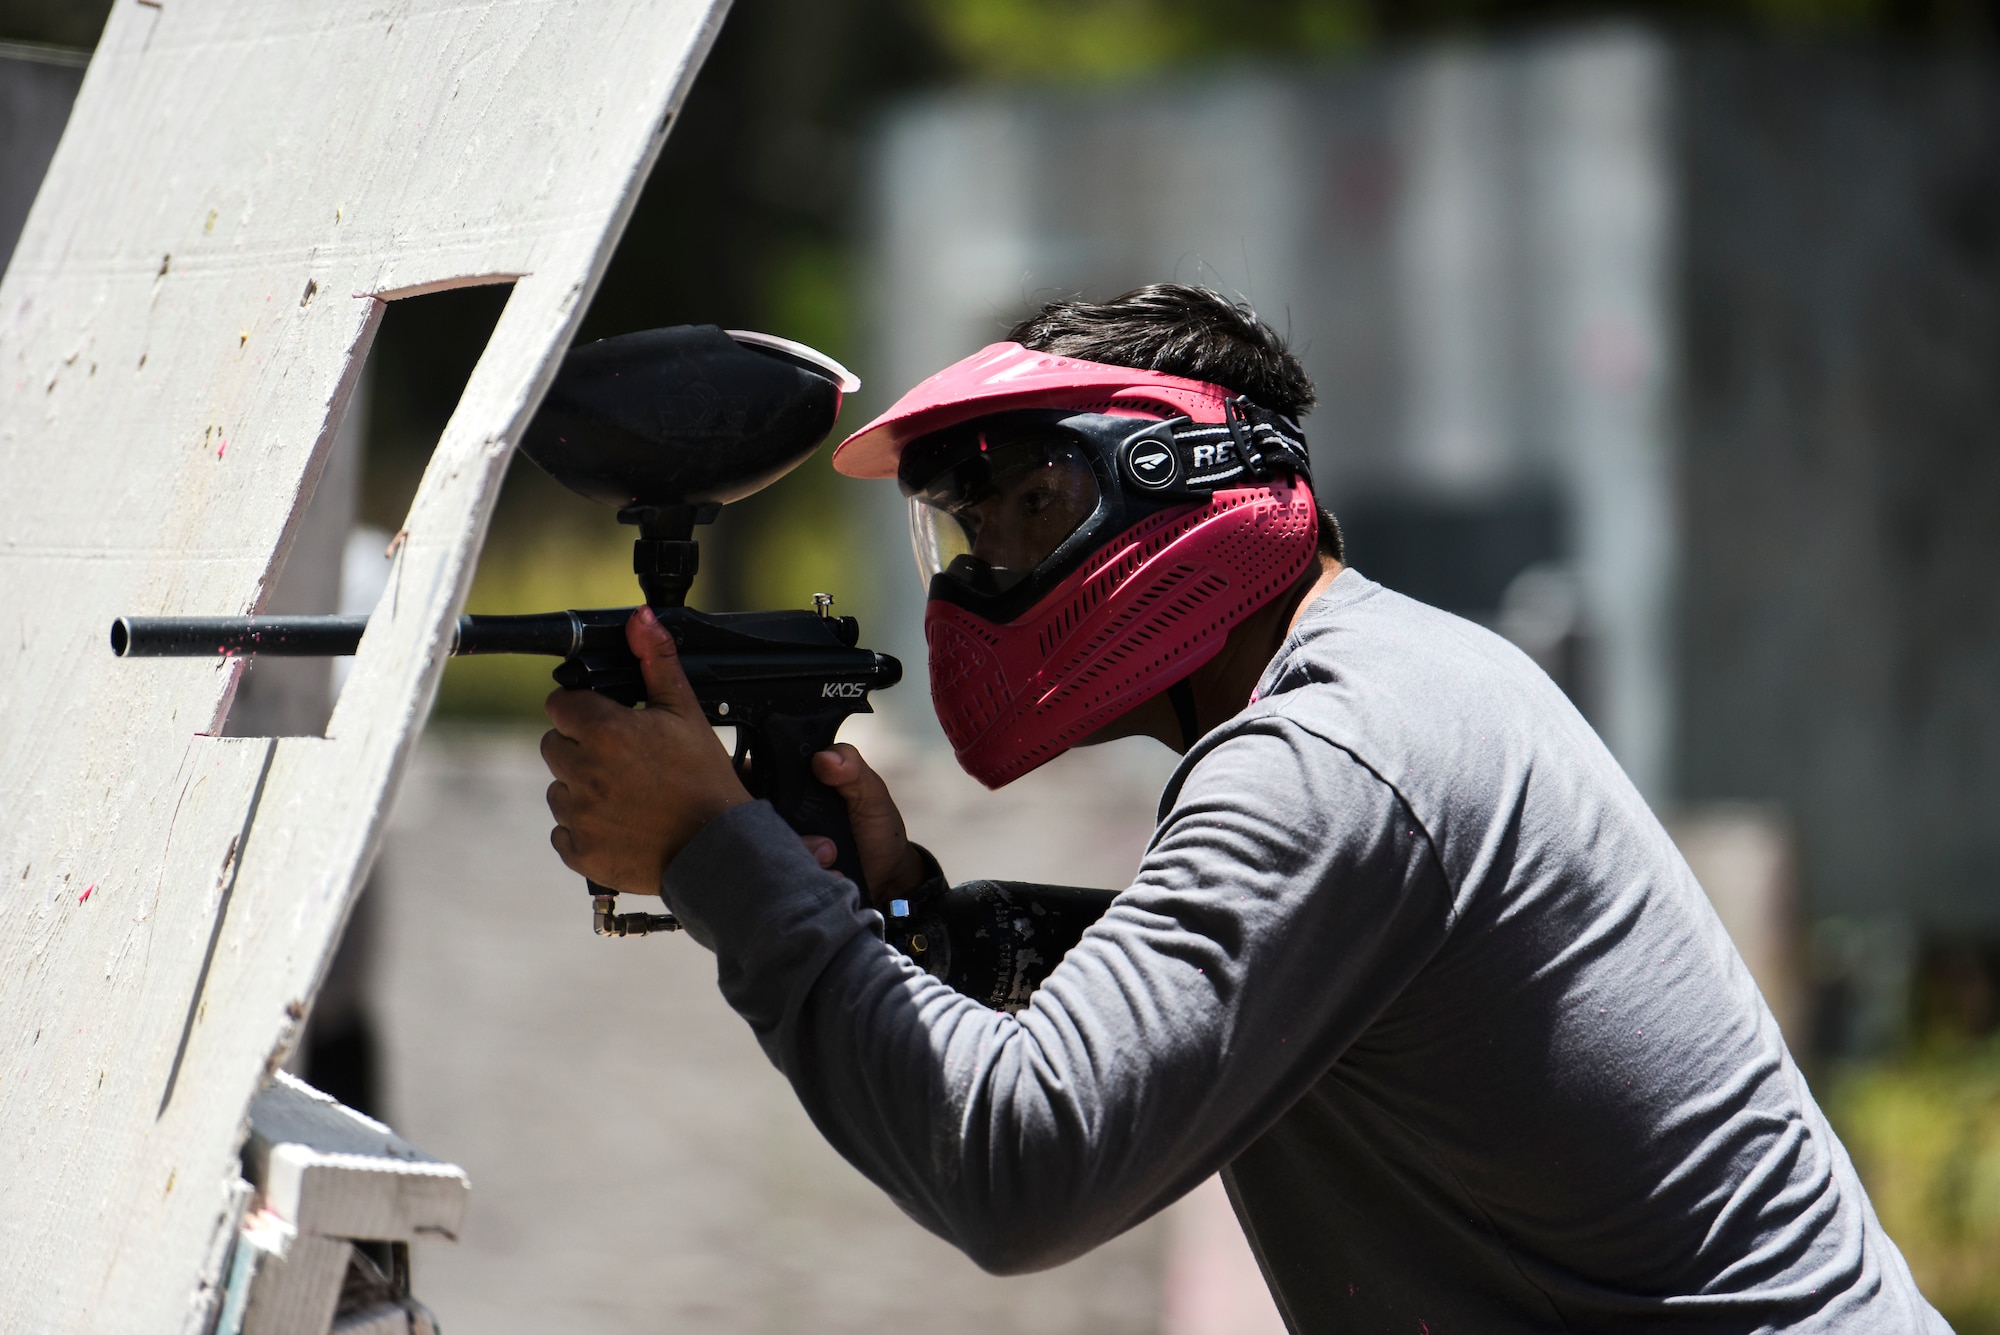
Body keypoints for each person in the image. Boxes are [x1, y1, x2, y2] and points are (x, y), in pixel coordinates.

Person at [539, 285, 1943, 1332]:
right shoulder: (1389, 684)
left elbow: (1020, 1167)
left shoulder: (1333, 752)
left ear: (1188, 478)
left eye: (1030, 509)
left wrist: (717, 856)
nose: (988, 577)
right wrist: (918, 921)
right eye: (970, 535)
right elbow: (1225, 999)